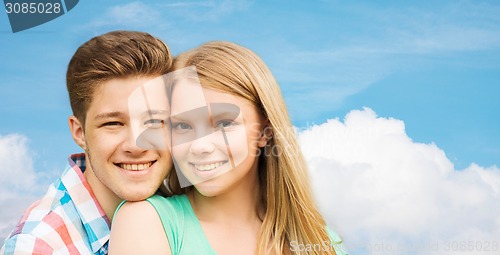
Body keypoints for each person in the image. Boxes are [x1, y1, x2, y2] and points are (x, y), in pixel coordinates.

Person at [109, 41, 348, 255]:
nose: (200, 146)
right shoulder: (147, 221)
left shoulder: (320, 239)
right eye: (182, 125)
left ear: (265, 132)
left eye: (224, 124)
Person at [0, 31, 174, 255]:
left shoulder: (187, 209)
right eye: (113, 123)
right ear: (79, 132)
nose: (137, 145)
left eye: (154, 121)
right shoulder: (39, 247)